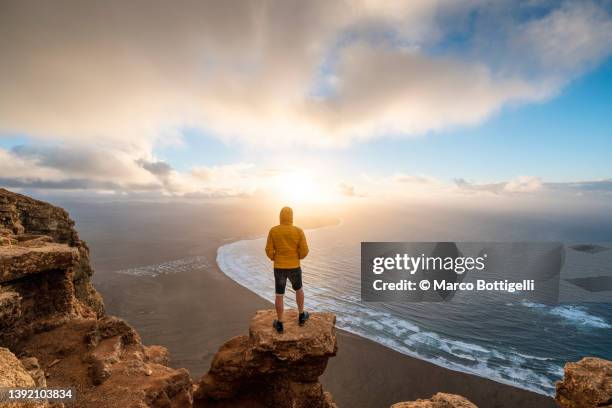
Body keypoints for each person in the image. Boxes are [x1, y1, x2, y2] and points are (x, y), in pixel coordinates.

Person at [265, 206, 309, 333]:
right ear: (291, 217)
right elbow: (305, 251)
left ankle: (279, 323)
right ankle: (301, 316)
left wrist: (275, 258)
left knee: (279, 295)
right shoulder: (298, 231)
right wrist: (297, 257)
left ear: (280, 217)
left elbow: (268, 250)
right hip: (294, 266)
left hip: (279, 267)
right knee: (299, 289)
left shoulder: (273, 231)